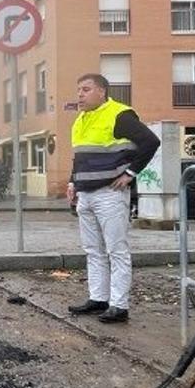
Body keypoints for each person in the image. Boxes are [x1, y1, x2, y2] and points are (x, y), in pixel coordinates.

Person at [66, 73, 159, 324]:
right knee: (92, 250)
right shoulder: (81, 119)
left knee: (116, 250)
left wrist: (131, 173)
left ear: (102, 91)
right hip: (85, 194)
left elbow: (151, 142)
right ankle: (98, 299)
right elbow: (80, 156)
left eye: (86, 89)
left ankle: (119, 305)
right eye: (78, 89)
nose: (80, 94)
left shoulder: (119, 115)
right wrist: (73, 182)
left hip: (110, 193)